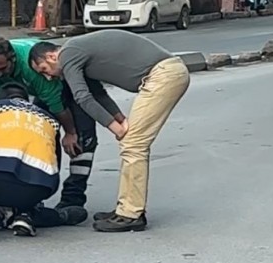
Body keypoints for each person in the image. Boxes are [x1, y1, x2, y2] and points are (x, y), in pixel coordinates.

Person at [28, 30, 191, 233]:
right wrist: (120, 120)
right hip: (166, 73)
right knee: (132, 143)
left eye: (44, 69)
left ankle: (130, 215)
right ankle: (125, 209)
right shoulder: (78, 52)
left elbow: (82, 97)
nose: (48, 77)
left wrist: (114, 128)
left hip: (163, 76)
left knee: (133, 144)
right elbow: (98, 94)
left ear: (52, 56)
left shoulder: (68, 54)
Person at [0, 87, 89, 241]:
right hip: (41, 188)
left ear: (0, 98)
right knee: (23, 178)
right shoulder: (48, 118)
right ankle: (25, 214)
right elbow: (55, 165)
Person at [0, 37, 98, 214]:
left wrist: (70, 132)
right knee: (40, 136)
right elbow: (6, 95)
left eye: (3, 69)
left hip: (70, 85)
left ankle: (73, 198)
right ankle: (34, 192)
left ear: (12, 58)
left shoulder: (32, 67)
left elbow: (57, 104)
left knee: (83, 142)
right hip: (43, 90)